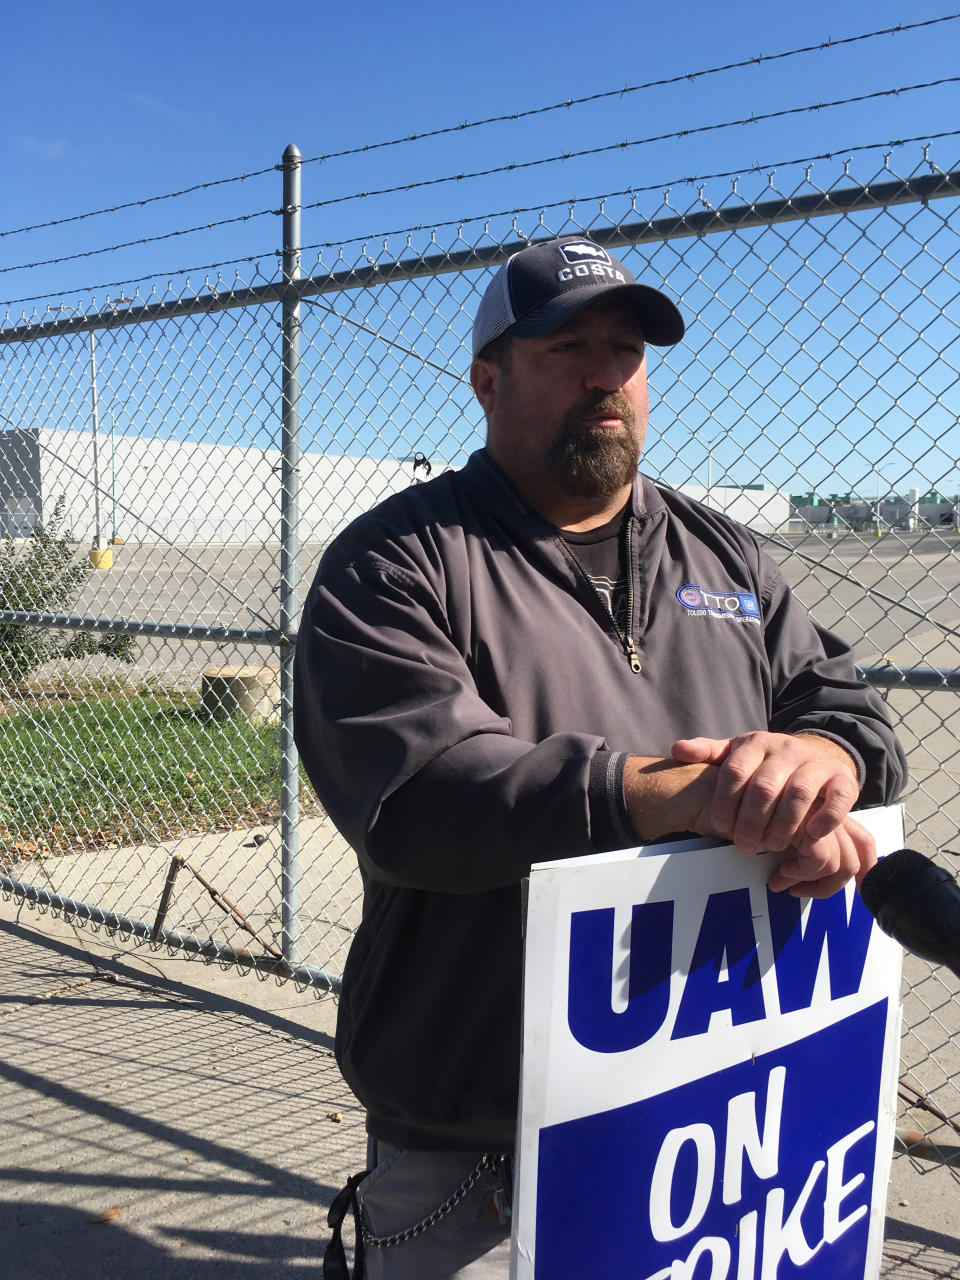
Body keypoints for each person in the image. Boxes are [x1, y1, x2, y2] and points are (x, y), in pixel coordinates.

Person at [294, 236, 906, 1278]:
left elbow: (846, 707)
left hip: (713, 1108)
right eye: (567, 346)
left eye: (624, 349)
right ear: (488, 380)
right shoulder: (400, 559)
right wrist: (679, 793)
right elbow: (419, 797)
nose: (604, 374)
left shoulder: (726, 555)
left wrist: (823, 756)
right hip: (479, 1136)